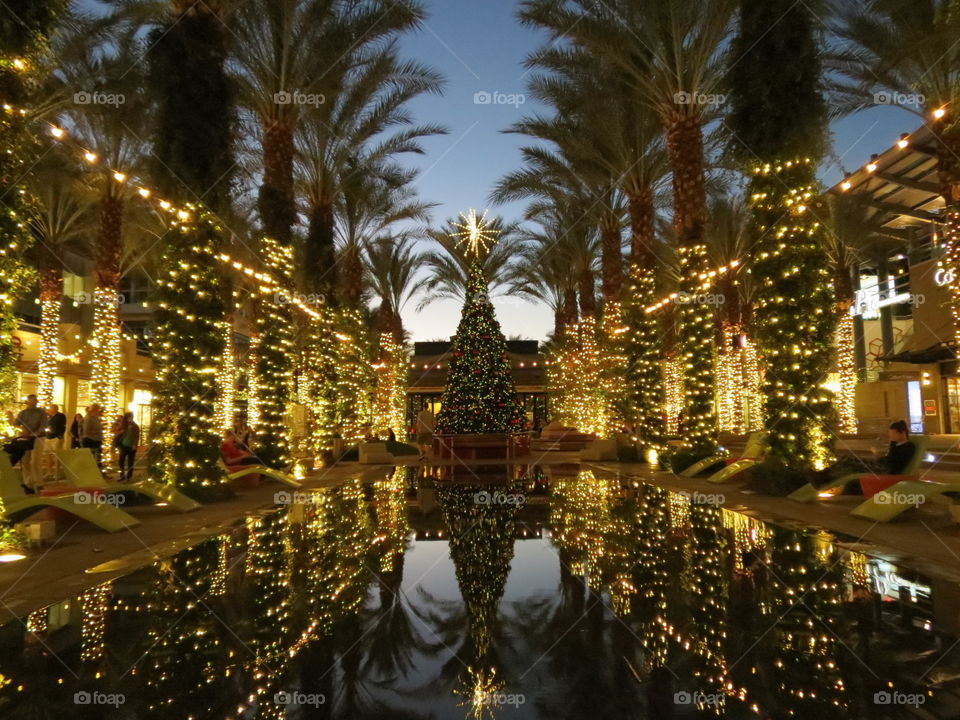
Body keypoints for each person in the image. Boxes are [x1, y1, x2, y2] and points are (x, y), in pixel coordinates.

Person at [3, 395, 48, 489]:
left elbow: (43, 425)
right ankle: (28, 482)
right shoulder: (23, 413)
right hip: (26, 438)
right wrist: (22, 430)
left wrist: (35, 433)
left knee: (35, 460)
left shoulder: (41, 412)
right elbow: (16, 424)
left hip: (39, 437)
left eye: (36, 400)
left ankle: (38, 482)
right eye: (33, 400)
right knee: (25, 460)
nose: (35, 401)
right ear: (28, 401)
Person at [115, 412, 140, 482]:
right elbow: (116, 431)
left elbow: (137, 437)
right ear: (126, 418)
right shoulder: (124, 425)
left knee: (130, 462)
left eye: (132, 417)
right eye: (130, 417)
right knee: (121, 461)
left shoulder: (135, 426)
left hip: (131, 446)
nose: (131, 419)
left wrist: (135, 445)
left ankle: (129, 476)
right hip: (123, 445)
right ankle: (122, 475)